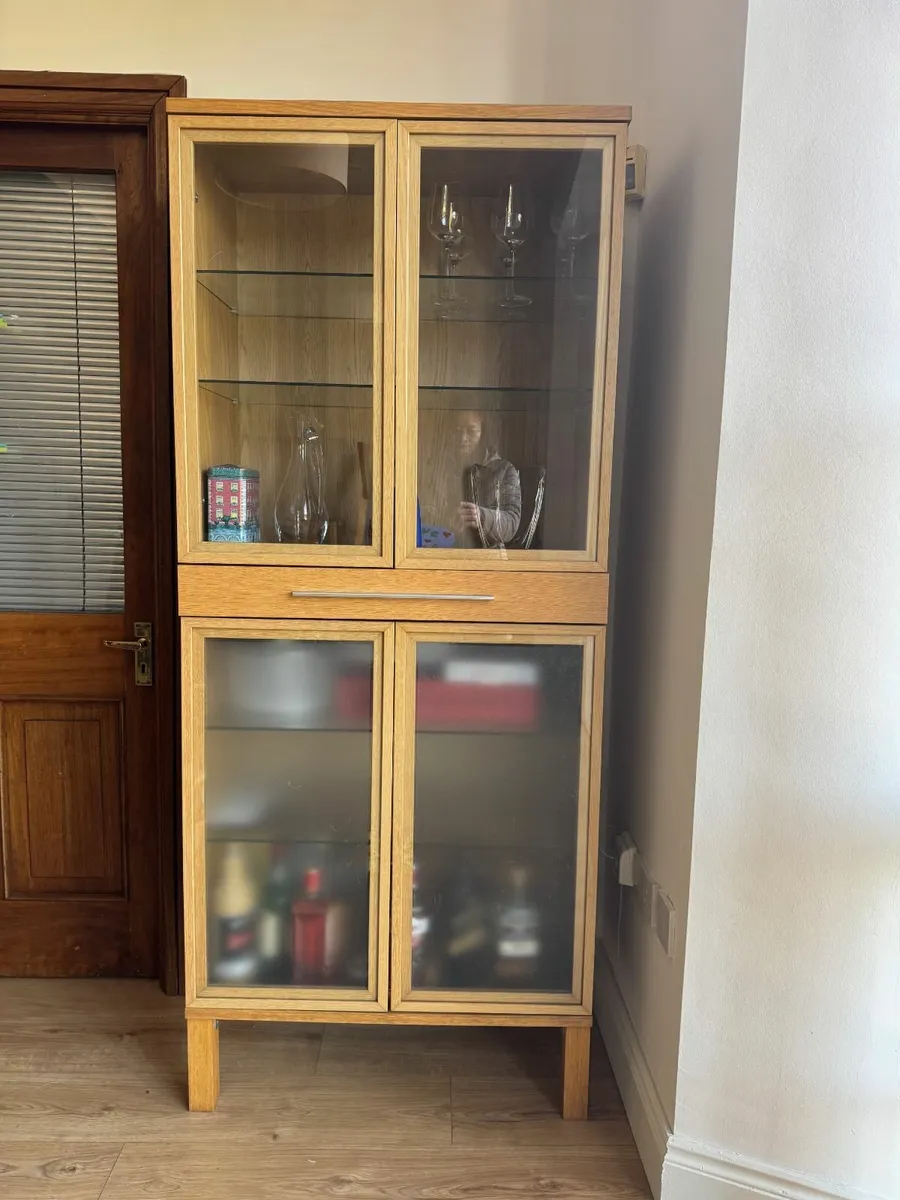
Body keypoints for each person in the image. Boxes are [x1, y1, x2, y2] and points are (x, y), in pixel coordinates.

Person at [454, 411, 522, 549]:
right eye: (457, 430)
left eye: (471, 431)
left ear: (483, 433)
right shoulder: (440, 469)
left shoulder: (505, 470)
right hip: (442, 552)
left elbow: (512, 523)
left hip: (488, 560)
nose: (462, 438)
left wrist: (480, 516)